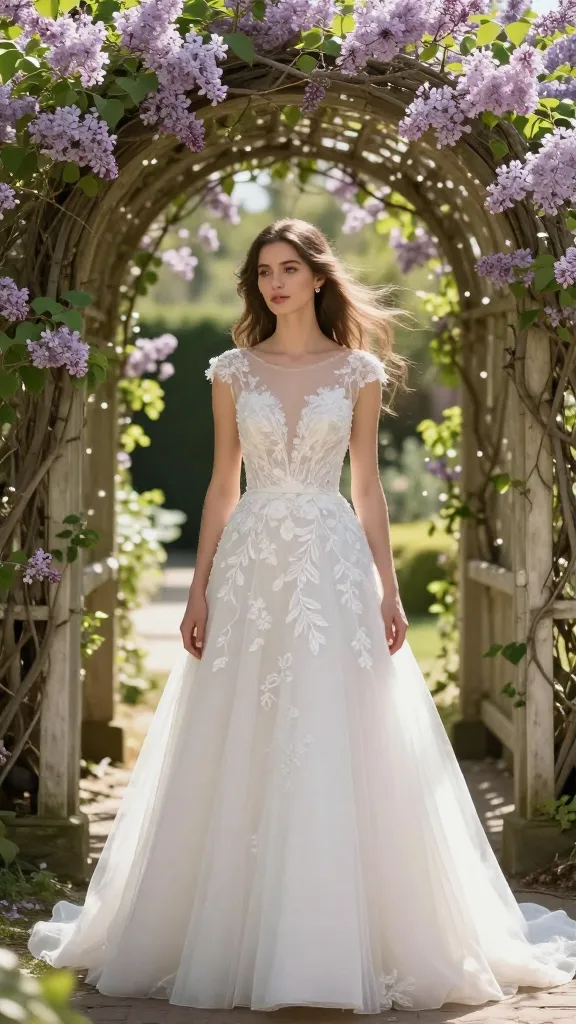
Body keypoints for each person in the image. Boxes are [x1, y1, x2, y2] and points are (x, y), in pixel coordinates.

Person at [28, 218, 576, 1013]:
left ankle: (339, 929)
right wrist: (199, 586)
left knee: (337, 726)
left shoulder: (357, 369)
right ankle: (232, 925)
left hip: (331, 562)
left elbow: (368, 489)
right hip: (252, 564)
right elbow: (222, 484)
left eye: (289, 268)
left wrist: (388, 590)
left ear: (318, 277)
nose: (275, 283)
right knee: (243, 725)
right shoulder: (230, 369)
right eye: (263, 271)